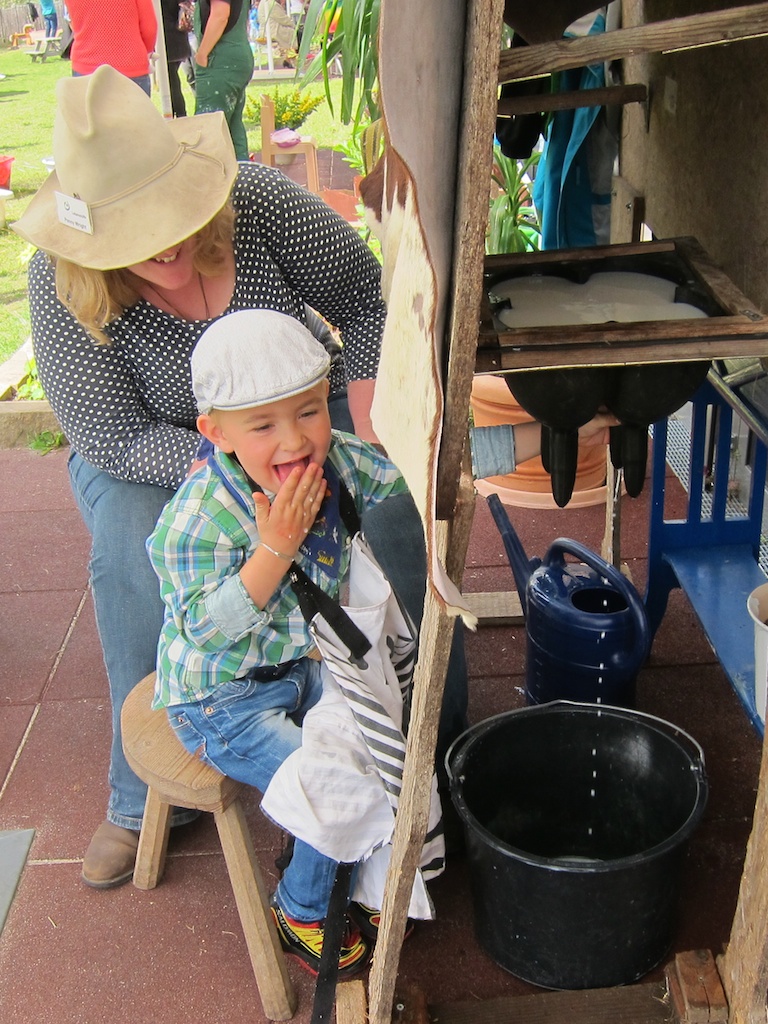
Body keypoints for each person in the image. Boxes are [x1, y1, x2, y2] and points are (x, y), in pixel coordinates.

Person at [13, 65, 465, 891]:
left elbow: (366, 297)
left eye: (173, 216)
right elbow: (109, 435)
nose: (169, 247)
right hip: (154, 448)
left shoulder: (257, 200)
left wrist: (366, 429)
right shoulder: (59, 277)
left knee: (397, 519)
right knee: (131, 555)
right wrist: (235, 478)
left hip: (294, 411)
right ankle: (135, 793)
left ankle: (442, 742)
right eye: (137, 236)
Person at [146, 307, 416, 975]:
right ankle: (299, 908)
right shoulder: (198, 516)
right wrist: (274, 548)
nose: (295, 440)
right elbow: (206, 635)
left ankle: (362, 862)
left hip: (301, 663)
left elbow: (422, 465)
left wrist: (531, 439)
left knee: (385, 731)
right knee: (329, 782)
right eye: (263, 425)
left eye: (309, 412)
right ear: (216, 432)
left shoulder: (339, 463)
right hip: (220, 701)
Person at [194, 0, 254, 160]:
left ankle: (214, 183)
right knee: (233, 129)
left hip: (221, 59)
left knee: (209, 131)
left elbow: (220, 15)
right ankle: (242, 179)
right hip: (236, 56)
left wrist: (202, 53)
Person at [66, 0, 157, 96]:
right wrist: (146, 51)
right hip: (130, 64)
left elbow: (74, 21)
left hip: (85, 65)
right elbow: (149, 27)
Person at [159, 0, 192, 116]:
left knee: (171, 83)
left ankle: (180, 115)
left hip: (168, 41)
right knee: (172, 81)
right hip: (175, 38)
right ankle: (179, 114)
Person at [258, 0, 296, 67]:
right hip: (273, 31)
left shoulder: (263, 2)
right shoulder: (272, 4)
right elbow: (283, 19)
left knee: (293, 34)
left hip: (265, 30)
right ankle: (291, 59)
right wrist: (294, 25)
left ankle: (288, 59)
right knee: (298, 35)